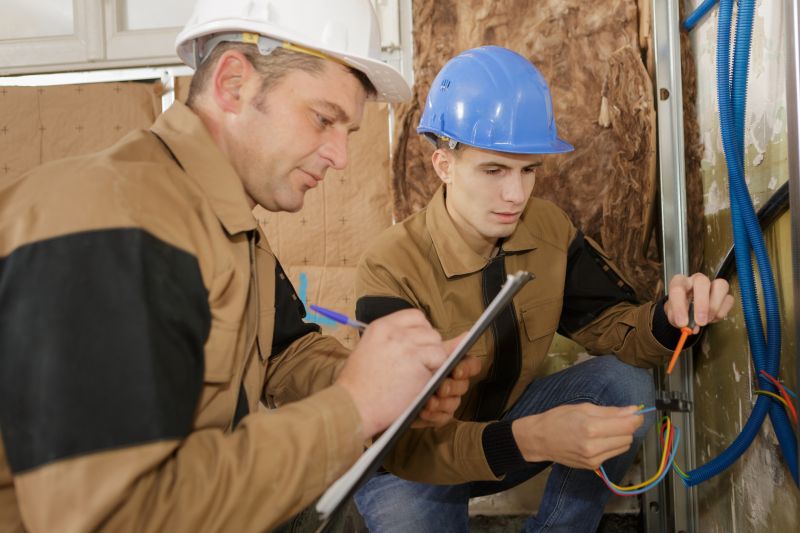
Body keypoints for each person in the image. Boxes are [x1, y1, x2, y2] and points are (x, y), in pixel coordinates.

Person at [0, 1, 481, 531]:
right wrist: (353, 406)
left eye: (348, 133)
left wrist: (387, 381)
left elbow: (281, 351)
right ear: (233, 84)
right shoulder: (119, 222)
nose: (340, 157)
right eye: (324, 119)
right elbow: (109, 515)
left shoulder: (223, 228)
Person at [353, 46, 735, 532]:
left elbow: (615, 329)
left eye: (528, 170)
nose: (516, 195)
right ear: (443, 166)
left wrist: (672, 317)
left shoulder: (549, 229)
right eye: (494, 170)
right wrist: (530, 438)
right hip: (412, 462)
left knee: (624, 384)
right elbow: (400, 436)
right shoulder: (389, 266)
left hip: (509, 429)